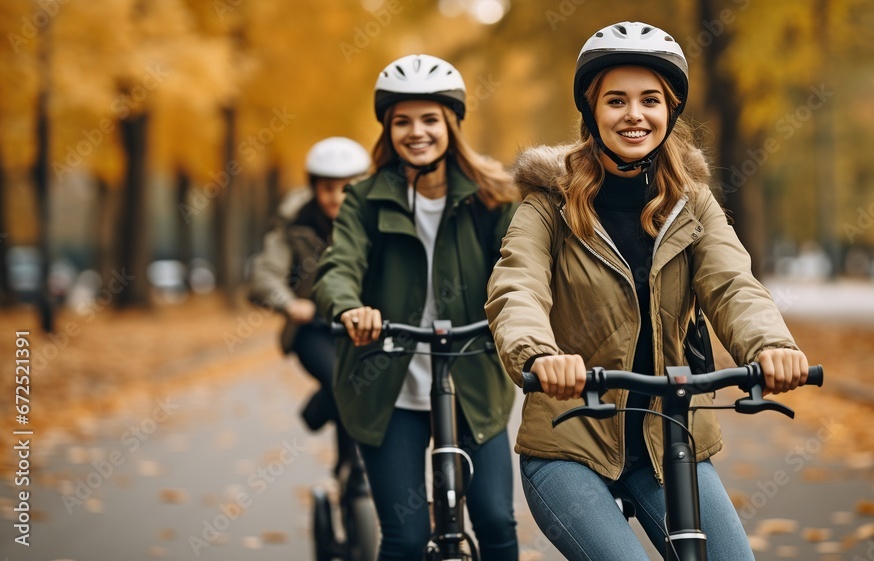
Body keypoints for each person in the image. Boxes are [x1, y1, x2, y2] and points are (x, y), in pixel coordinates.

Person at [485, 21, 811, 561]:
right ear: (592, 112)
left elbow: (733, 285)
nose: (634, 114)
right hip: (569, 443)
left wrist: (771, 346)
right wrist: (540, 355)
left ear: (671, 110)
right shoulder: (548, 205)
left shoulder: (693, 204)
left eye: (650, 100)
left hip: (670, 442)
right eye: (616, 100)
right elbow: (515, 286)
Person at [311, 54, 520, 561]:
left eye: (429, 119)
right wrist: (349, 309)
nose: (416, 132)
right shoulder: (364, 198)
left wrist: (518, 319)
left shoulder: (492, 196)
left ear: (451, 124)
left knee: (495, 520)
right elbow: (338, 266)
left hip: (471, 376)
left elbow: (520, 270)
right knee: (403, 539)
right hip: (388, 382)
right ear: (388, 128)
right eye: (402, 121)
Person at [248, 136, 370, 468]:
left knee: (363, 388)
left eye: (348, 187)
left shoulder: (377, 219)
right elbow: (264, 274)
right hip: (314, 328)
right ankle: (350, 465)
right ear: (314, 187)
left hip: (367, 325)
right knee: (343, 383)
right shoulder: (295, 225)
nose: (337, 197)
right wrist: (289, 304)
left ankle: (348, 457)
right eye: (328, 188)